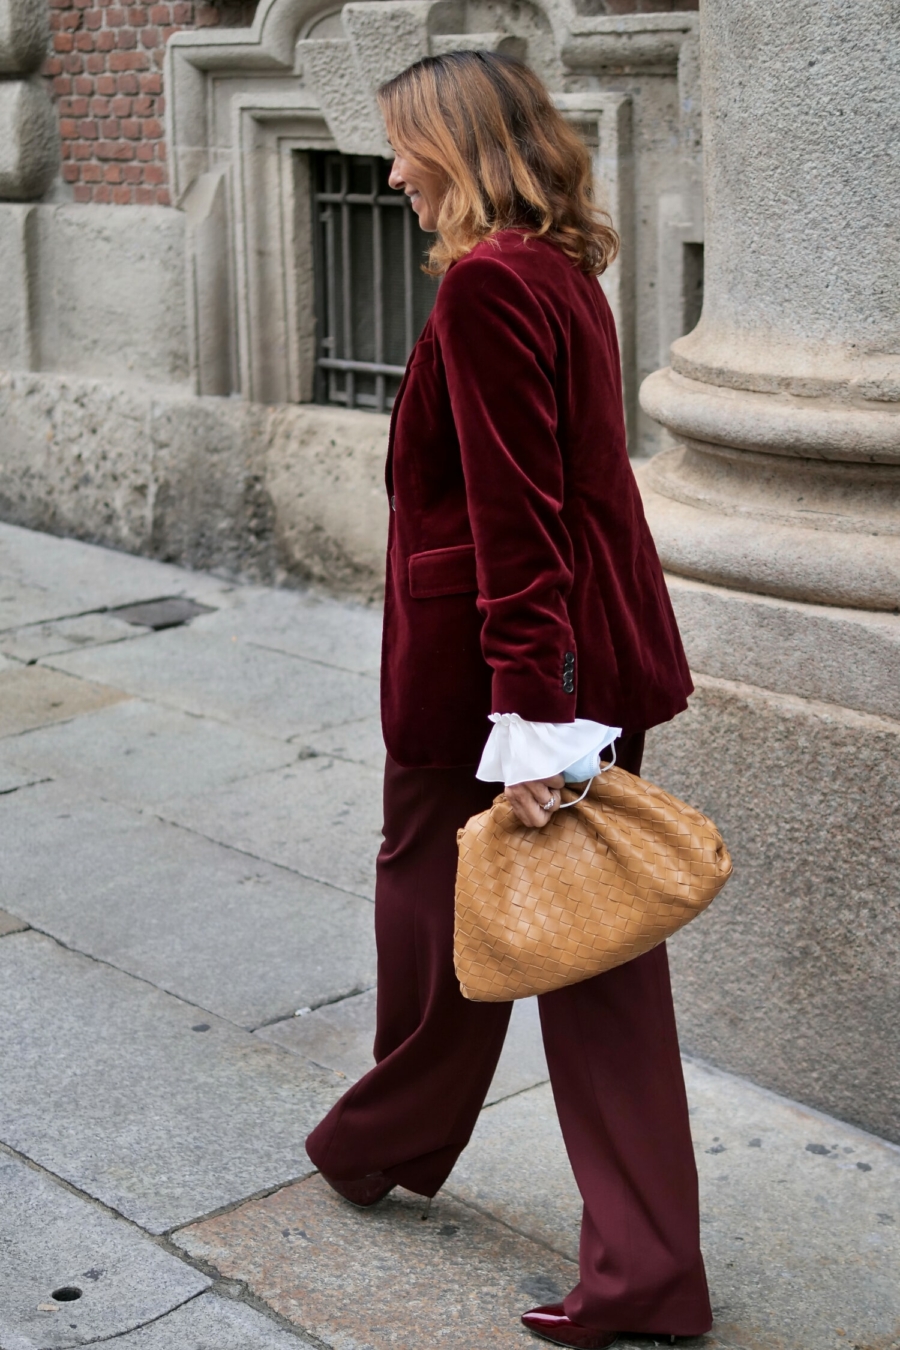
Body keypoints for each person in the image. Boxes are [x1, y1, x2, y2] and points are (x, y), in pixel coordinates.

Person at [305, 50, 712, 1349]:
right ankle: (385, 1137)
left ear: (462, 151)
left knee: (506, 940)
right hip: (562, 668)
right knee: (493, 932)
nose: (391, 174)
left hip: (502, 685)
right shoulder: (556, 272)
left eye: (405, 148)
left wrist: (531, 725)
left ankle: (634, 1261)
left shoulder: (488, 287)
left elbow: (521, 522)